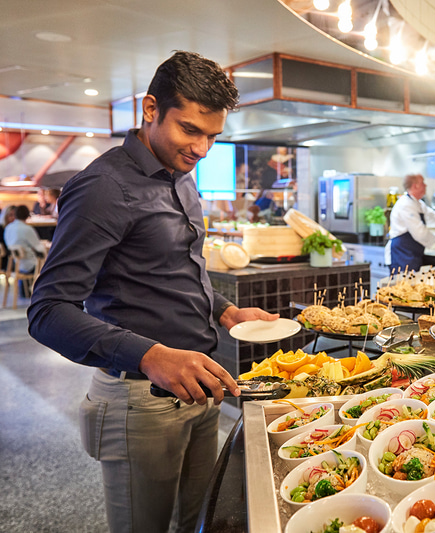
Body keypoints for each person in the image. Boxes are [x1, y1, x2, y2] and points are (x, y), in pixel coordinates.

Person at [28, 51, 277, 533]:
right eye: (190, 130)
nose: (202, 149)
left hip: (201, 387)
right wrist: (151, 355)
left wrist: (224, 311)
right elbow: (48, 310)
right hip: (139, 399)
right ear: (149, 109)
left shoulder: (181, 178)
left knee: (200, 521)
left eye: (212, 136)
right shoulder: (103, 186)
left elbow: (178, 270)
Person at [385, 173, 435, 273]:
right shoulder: (405, 205)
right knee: (402, 286)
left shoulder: (418, 204)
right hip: (401, 254)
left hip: (411, 254)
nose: (425, 185)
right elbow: (419, 233)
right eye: (423, 183)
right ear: (415, 186)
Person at [3, 204, 46, 273]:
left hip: (16, 263)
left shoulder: (8, 228)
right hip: (30, 265)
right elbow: (39, 248)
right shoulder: (27, 229)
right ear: (27, 215)